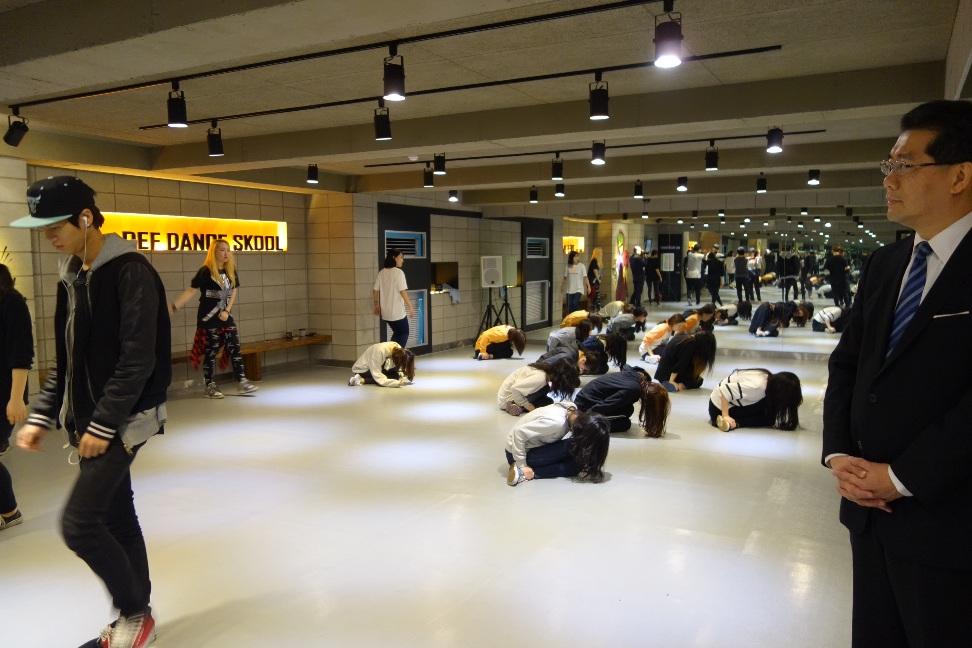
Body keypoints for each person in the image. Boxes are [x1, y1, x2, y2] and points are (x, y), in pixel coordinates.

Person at [822, 100, 972, 647]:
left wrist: (903, 476)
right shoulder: (886, 264)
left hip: (947, 522)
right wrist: (839, 454)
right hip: (868, 515)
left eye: (904, 165)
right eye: (888, 166)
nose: (890, 179)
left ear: (959, 175)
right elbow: (848, 363)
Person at [14, 176, 170, 648]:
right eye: (43, 230)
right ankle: (138, 615)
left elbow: (137, 359)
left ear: (86, 218)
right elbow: (67, 360)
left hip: (123, 421)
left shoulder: (130, 272)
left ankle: (133, 611)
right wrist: (42, 414)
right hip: (88, 421)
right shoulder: (72, 276)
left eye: (55, 226)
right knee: (119, 514)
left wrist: (103, 422)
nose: (49, 237)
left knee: (80, 524)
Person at [170, 239, 258, 399]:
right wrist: (174, 306)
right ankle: (209, 384)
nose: (226, 253)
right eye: (222, 250)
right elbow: (191, 291)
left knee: (234, 345)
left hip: (225, 316)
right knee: (212, 349)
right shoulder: (205, 271)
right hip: (208, 317)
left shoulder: (231, 270)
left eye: (228, 250)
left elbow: (233, 291)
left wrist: (227, 310)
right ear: (214, 252)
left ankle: (242, 380)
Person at [504, 402, 610, 486]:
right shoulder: (556, 424)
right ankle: (523, 472)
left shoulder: (571, 408)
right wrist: (522, 465)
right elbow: (518, 432)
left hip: (530, 447)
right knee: (574, 463)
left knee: (575, 456)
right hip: (516, 454)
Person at [0, 264, 32, 532]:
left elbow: (21, 353)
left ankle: (10, 511)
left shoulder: (12, 302)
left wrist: (16, 398)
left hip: (4, 394)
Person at [573, 365, 670, 436]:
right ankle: (584, 423)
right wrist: (584, 419)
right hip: (585, 405)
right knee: (624, 424)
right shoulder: (633, 390)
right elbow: (604, 406)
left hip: (585, 396)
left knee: (628, 409)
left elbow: (626, 366)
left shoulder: (638, 378)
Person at [708, 369, 802, 432]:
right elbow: (724, 390)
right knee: (765, 418)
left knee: (768, 416)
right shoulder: (758, 387)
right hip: (718, 407)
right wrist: (725, 415)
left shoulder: (767, 379)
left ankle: (731, 421)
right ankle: (733, 423)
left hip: (730, 401)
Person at [496, 359, 580, 416]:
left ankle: (519, 406)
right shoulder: (541, 377)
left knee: (548, 402)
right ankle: (515, 406)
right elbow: (515, 389)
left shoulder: (547, 372)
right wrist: (529, 407)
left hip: (512, 393)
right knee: (544, 393)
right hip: (508, 398)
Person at [373, 249, 413, 347]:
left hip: (386, 313)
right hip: (397, 313)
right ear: (394, 258)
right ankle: (395, 358)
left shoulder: (382, 272)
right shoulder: (399, 273)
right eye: (401, 258)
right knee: (404, 333)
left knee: (397, 333)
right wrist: (410, 306)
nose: (402, 260)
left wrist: (376, 305)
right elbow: (403, 291)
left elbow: (375, 290)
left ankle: (389, 356)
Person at [348, 341, 415, 387]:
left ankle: (364, 378)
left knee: (395, 376)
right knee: (385, 378)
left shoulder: (398, 349)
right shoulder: (379, 352)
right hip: (363, 369)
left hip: (379, 364)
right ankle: (361, 380)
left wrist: (402, 374)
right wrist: (399, 383)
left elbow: (394, 366)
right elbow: (379, 377)